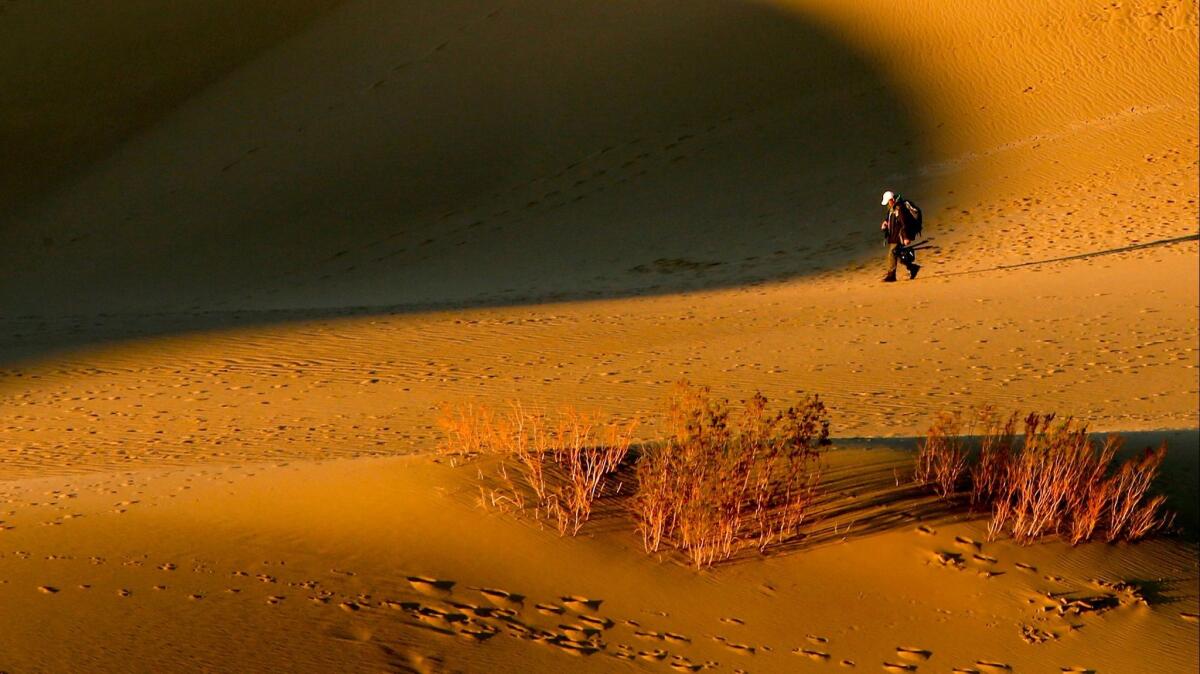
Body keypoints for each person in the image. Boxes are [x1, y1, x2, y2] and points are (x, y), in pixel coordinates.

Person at [879, 189, 921, 282]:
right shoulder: (892, 208)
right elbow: (889, 218)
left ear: (892, 200)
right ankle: (912, 268)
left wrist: (906, 237)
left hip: (899, 236)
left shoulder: (900, 208)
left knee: (892, 253)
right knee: (897, 254)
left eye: (888, 202)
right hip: (894, 235)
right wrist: (886, 222)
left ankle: (892, 275)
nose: (888, 204)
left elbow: (904, 223)